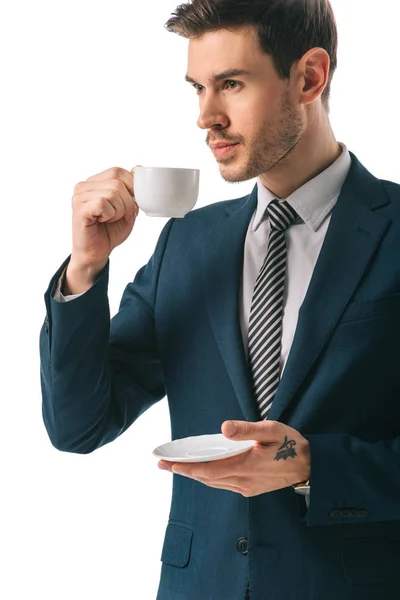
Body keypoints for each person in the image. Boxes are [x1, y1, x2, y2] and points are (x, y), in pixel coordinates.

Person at [39, 0, 400, 598]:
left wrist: (316, 467)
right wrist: (86, 268)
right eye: (198, 88)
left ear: (309, 77)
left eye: (230, 84)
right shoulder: (186, 243)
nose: (206, 116)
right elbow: (79, 426)